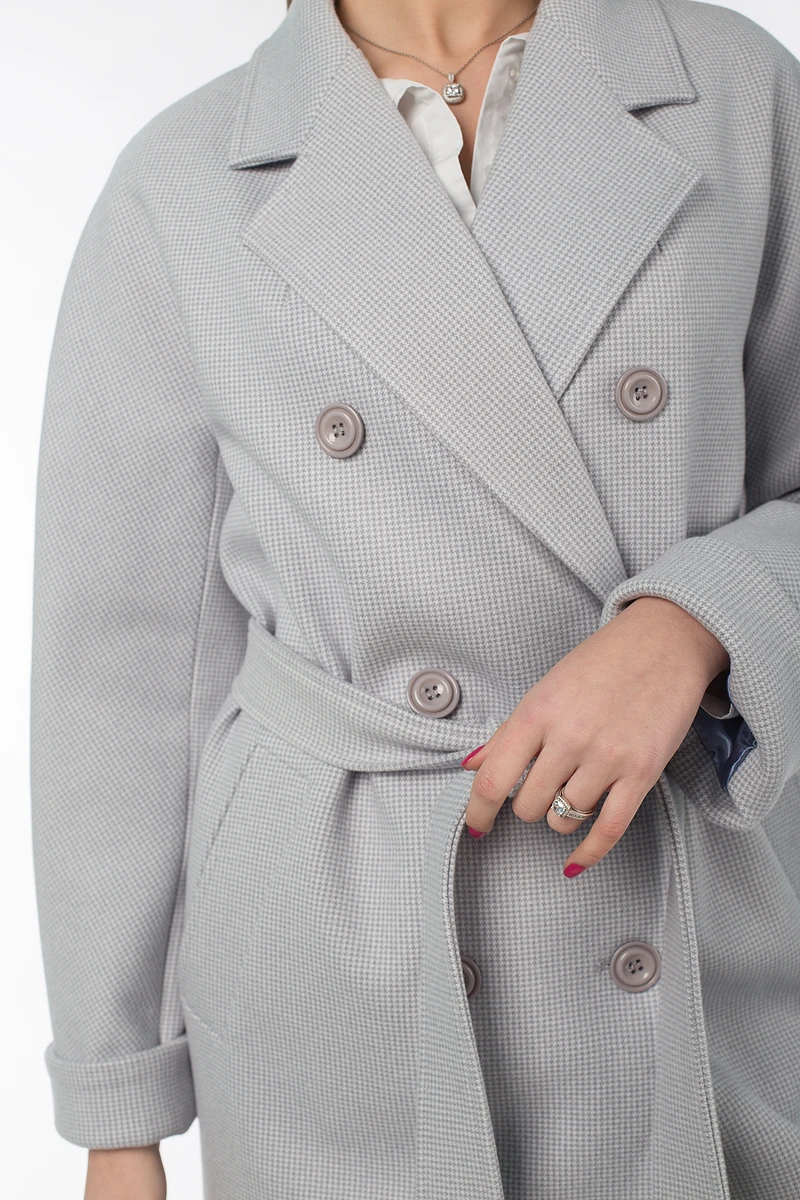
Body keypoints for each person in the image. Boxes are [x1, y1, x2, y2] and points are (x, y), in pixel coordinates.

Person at [29, 0, 800, 1197]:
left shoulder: (735, 96)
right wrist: (117, 1112)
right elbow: (121, 674)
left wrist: (694, 623)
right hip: (345, 957)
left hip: (684, 913)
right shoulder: (182, 181)